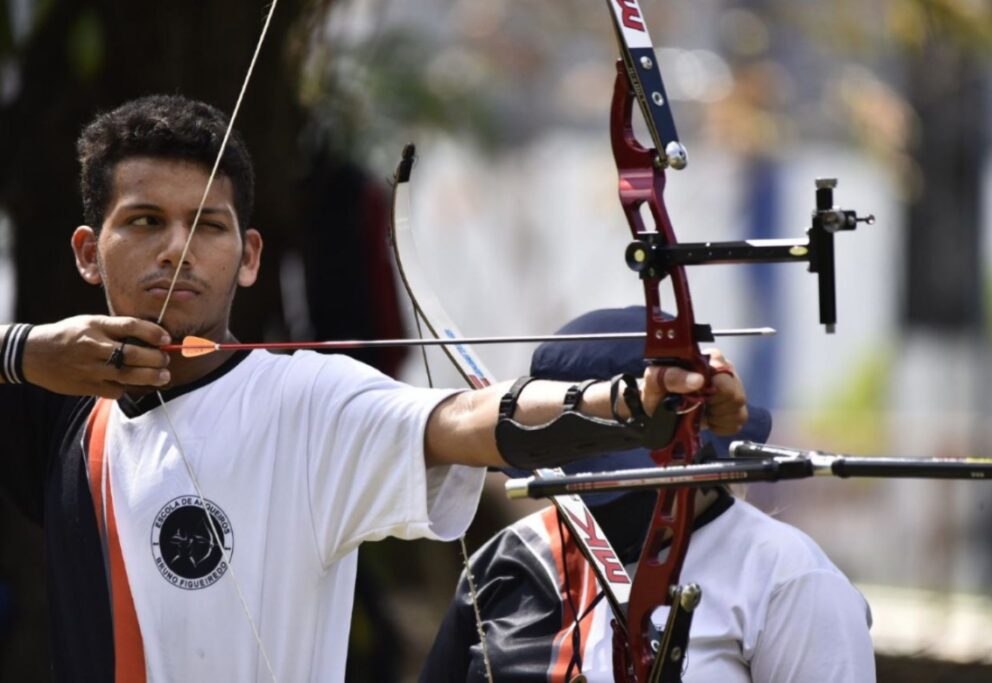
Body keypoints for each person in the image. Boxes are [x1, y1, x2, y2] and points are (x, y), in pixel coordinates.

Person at [0, 96, 749, 682]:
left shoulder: (307, 402)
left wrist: (635, 404)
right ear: (87, 253)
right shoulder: (59, 413)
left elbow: (468, 419)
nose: (177, 249)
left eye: (208, 226)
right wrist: (19, 350)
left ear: (250, 255)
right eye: (144, 220)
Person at [421, 307, 875, 683]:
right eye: (579, 467)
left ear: (694, 450)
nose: (599, 496)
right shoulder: (510, 560)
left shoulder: (785, 575)